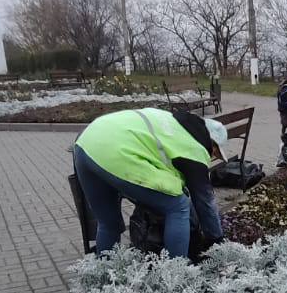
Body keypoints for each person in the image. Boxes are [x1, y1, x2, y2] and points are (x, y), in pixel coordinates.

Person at [73, 107, 228, 256]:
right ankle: (177, 273)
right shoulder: (195, 148)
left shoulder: (173, 121)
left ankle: (102, 274)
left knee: (108, 223)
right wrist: (215, 238)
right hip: (116, 152)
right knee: (177, 206)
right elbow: (204, 201)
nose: (212, 156)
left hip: (86, 143)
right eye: (215, 152)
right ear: (212, 143)